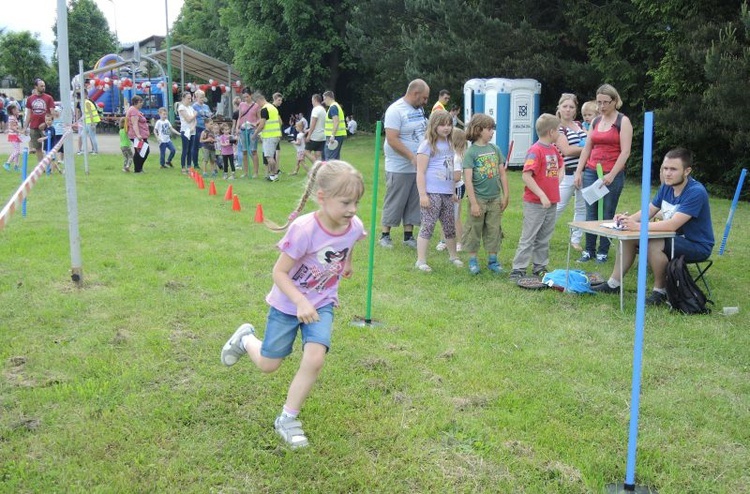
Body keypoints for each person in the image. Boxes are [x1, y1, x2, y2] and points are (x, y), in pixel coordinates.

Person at [220, 160, 366, 449]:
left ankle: (287, 418)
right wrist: (299, 301)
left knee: (315, 358)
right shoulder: (303, 230)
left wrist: (347, 262)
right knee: (268, 364)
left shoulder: (353, 226)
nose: (352, 210)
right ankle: (246, 338)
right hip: (288, 305)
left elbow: (350, 242)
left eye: (356, 202)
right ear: (322, 198)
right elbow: (279, 272)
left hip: (322, 303)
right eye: (346, 202)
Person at [592, 148, 714, 306]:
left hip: (696, 244)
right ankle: (613, 284)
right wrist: (627, 220)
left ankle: (660, 292)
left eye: (673, 169)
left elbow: (672, 224)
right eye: (665, 168)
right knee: (629, 237)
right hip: (673, 238)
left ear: (687, 171)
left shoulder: (696, 192)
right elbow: (649, 210)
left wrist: (638, 226)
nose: (667, 173)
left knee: (654, 243)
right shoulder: (667, 186)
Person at [573, 84, 633, 263]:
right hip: (592, 170)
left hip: (612, 172)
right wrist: (579, 171)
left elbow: (625, 152)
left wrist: (612, 174)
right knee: (590, 212)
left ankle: (603, 251)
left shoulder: (623, 121)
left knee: (607, 211)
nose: (602, 106)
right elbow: (587, 147)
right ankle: (589, 250)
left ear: (615, 101)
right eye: (599, 102)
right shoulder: (596, 121)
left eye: (606, 102)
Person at [509, 114, 564, 280]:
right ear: (551, 131)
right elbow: (526, 175)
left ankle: (540, 266)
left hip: (551, 202)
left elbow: (561, 166)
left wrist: (557, 181)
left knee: (544, 237)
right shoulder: (535, 150)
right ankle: (518, 269)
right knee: (529, 236)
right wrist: (541, 195)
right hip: (535, 203)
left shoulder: (553, 149)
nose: (560, 133)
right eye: (559, 130)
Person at [379, 79, 430, 249]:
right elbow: (392, 139)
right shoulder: (395, 110)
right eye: (424, 98)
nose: (425, 101)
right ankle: (385, 235)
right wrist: (411, 156)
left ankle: (408, 236)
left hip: (417, 165)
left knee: (413, 200)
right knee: (396, 199)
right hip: (399, 165)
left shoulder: (419, 109)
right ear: (415, 94)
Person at [414, 109, 462, 272]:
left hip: (447, 193)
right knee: (428, 225)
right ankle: (421, 260)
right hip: (431, 192)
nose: (446, 128)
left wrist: (453, 191)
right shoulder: (427, 145)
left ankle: (453, 256)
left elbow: (450, 169)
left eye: (449, 124)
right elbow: (420, 171)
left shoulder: (450, 144)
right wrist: (422, 194)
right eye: (442, 124)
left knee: (449, 226)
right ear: (434, 126)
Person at [462, 113, 509, 275]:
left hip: (495, 199)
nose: (492, 132)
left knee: (494, 230)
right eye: (489, 129)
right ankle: (473, 261)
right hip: (479, 200)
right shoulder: (471, 153)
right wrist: (474, 203)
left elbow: (502, 174)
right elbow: (467, 180)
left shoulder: (495, 149)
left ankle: (493, 261)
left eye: (492, 128)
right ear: (479, 130)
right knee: (474, 230)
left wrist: (506, 195)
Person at [554, 93, 588, 251]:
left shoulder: (580, 125)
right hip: (566, 173)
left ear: (575, 110)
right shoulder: (557, 128)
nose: (568, 110)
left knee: (581, 208)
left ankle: (576, 240)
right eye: (565, 106)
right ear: (559, 108)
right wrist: (587, 149)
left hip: (584, 172)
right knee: (558, 207)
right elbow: (566, 150)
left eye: (571, 107)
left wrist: (584, 150)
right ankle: (541, 236)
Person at [251, 91, 282, 181]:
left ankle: (272, 175)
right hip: (276, 135)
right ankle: (275, 175)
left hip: (269, 136)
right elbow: (279, 122)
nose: (257, 105)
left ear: (260, 100)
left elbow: (262, 124)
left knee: (269, 157)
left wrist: (255, 134)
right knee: (272, 155)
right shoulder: (273, 108)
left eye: (257, 102)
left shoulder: (264, 109)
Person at [23, 78, 56, 162]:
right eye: (41, 86)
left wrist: (46, 124)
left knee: (49, 147)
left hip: (45, 127)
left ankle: (50, 165)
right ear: (36, 87)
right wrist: (25, 127)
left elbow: (52, 113)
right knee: (38, 148)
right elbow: (29, 114)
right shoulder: (30, 99)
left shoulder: (49, 98)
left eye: (44, 86)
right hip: (34, 126)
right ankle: (41, 166)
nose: (43, 87)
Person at [235, 88, 260, 178]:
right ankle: (245, 172)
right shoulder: (241, 105)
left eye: (247, 96)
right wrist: (237, 127)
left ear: (251, 95)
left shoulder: (256, 105)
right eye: (244, 97)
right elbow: (239, 117)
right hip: (243, 129)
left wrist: (254, 123)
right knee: (244, 151)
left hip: (252, 129)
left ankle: (255, 172)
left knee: (253, 150)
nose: (246, 98)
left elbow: (259, 118)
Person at [126, 95, 151, 174]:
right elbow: (134, 124)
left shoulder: (135, 110)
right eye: (140, 102)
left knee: (142, 151)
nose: (142, 104)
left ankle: (139, 168)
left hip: (140, 135)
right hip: (137, 136)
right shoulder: (134, 111)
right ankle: (137, 169)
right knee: (142, 151)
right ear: (136, 102)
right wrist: (138, 135)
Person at [322, 90, 346, 160]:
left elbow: (336, 121)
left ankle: (330, 171)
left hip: (334, 136)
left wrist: (332, 135)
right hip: (338, 135)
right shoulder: (336, 106)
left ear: (328, 98)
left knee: (330, 158)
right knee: (335, 158)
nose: (324, 101)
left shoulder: (333, 107)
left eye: (324, 99)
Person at [304, 93, 326, 165]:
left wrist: (309, 135)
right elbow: (319, 123)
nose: (311, 102)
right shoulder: (323, 110)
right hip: (323, 136)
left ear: (315, 100)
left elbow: (313, 123)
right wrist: (309, 129)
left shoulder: (315, 109)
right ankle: (318, 173)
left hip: (315, 136)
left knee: (306, 152)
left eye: (312, 100)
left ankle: (318, 165)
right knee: (317, 155)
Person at [192, 90, 212, 169]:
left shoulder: (206, 106)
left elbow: (210, 115)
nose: (202, 99)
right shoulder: (194, 106)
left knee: (208, 146)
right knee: (196, 146)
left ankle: (212, 163)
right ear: (196, 97)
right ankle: (195, 163)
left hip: (206, 128)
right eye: (200, 97)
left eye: (203, 97)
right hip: (198, 128)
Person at [177, 92, 196, 172]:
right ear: (183, 98)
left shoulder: (190, 108)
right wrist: (195, 115)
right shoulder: (181, 107)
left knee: (191, 149)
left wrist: (193, 127)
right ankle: (183, 167)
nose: (190, 100)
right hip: (185, 131)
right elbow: (188, 119)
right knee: (185, 149)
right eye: (188, 98)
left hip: (192, 131)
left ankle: (189, 166)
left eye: (190, 98)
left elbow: (195, 121)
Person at [81, 89, 100, 154]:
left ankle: (95, 150)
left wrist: (92, 123)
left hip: (91, 121)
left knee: (92, 136)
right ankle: (87, 150)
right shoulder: (85, 102)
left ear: (86, 95)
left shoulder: (87, 102)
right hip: (88, 121)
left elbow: (90, 113)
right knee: (83, 134)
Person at [3, 105, 22, 172]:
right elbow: (11, 127)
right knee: (17, 151)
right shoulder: (11, 117)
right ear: (13, 111)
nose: (18, 111)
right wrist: (19, 131)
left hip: (15, 135)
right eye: (17, 109)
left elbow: (15, 126)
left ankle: (16, 166)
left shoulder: (14, 117)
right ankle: (7, 163)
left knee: (17, 151)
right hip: (13, 136)